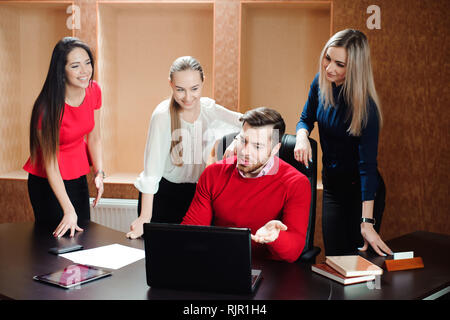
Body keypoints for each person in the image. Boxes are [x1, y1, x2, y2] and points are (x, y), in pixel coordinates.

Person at [294, 29, 393, 257]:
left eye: (340, 64)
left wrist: (367, 222)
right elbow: (305, 119)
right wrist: (302, 137)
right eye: (328, 58)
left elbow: (367, 168)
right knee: (334, 258)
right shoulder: (321, 83)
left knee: (356, 264)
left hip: (361, 192)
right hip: (332, 187)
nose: (330, 68)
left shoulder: (367, 108)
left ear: (355, 69)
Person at [127, 56, 242, 239]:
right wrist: (144, 217)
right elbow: (151, 174)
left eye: (194, 89)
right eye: (180, 90)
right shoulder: (162, 116)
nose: (188, 97)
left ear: (203, 82)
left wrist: (239, 139)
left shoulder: (208, 108)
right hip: (162, 195)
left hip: (195, 195)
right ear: (170, 84)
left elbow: (247, 123)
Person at [182, 107, 311, 263]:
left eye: (257, 146)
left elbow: (293, 252)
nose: (244, 152)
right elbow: (191, 232)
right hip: (218, 262)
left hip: (269, 272)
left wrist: (276, 237)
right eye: (243, 141)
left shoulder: (296, 184)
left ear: (275, 149)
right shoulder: (213, 174)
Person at [23, 37, 104, 238]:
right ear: (61, 70)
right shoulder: (46, 109)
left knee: (82, 236)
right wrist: (68, 210)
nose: (85, 71)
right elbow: (50, 165)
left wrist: (99, 172)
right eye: (75, 66)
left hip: (77, 173)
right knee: (57, 244)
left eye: (87, 63)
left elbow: (94, 136)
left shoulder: (93, 90)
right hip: (48, 181)